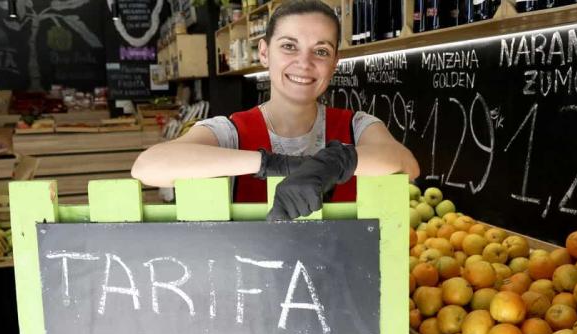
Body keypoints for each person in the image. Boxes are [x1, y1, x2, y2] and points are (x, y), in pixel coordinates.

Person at [132, 0, 419, 220]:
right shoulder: (230, 132)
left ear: (334, 62)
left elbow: (406, 164)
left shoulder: (357, 125)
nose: (304, 63)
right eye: (289, 46)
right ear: (264, 52)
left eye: (321, 51)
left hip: (342, 286)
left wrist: (335, 163)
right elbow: (149, 167)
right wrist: (272, 165)